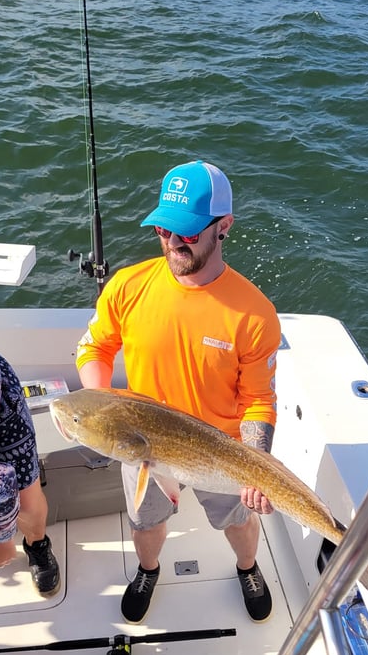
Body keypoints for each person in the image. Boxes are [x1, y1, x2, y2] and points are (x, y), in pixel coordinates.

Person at [76, 159, 281, 624]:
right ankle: (148, 571)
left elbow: (258, 399)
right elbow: (95, 347)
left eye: (186, 233)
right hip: (144, 444)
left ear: (223, 226)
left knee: (238, 520)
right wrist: (101, 403)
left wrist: (256, 466)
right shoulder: (128, 286)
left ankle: (248, 568)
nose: (173, 243)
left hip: (219, 449)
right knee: (145, 522)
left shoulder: (254, 314)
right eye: (164, 230)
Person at [0, 350, 60, 594]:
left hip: (3, 417)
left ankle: (36, 543)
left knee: (28, 501)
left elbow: (2, 480)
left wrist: (2, 540)